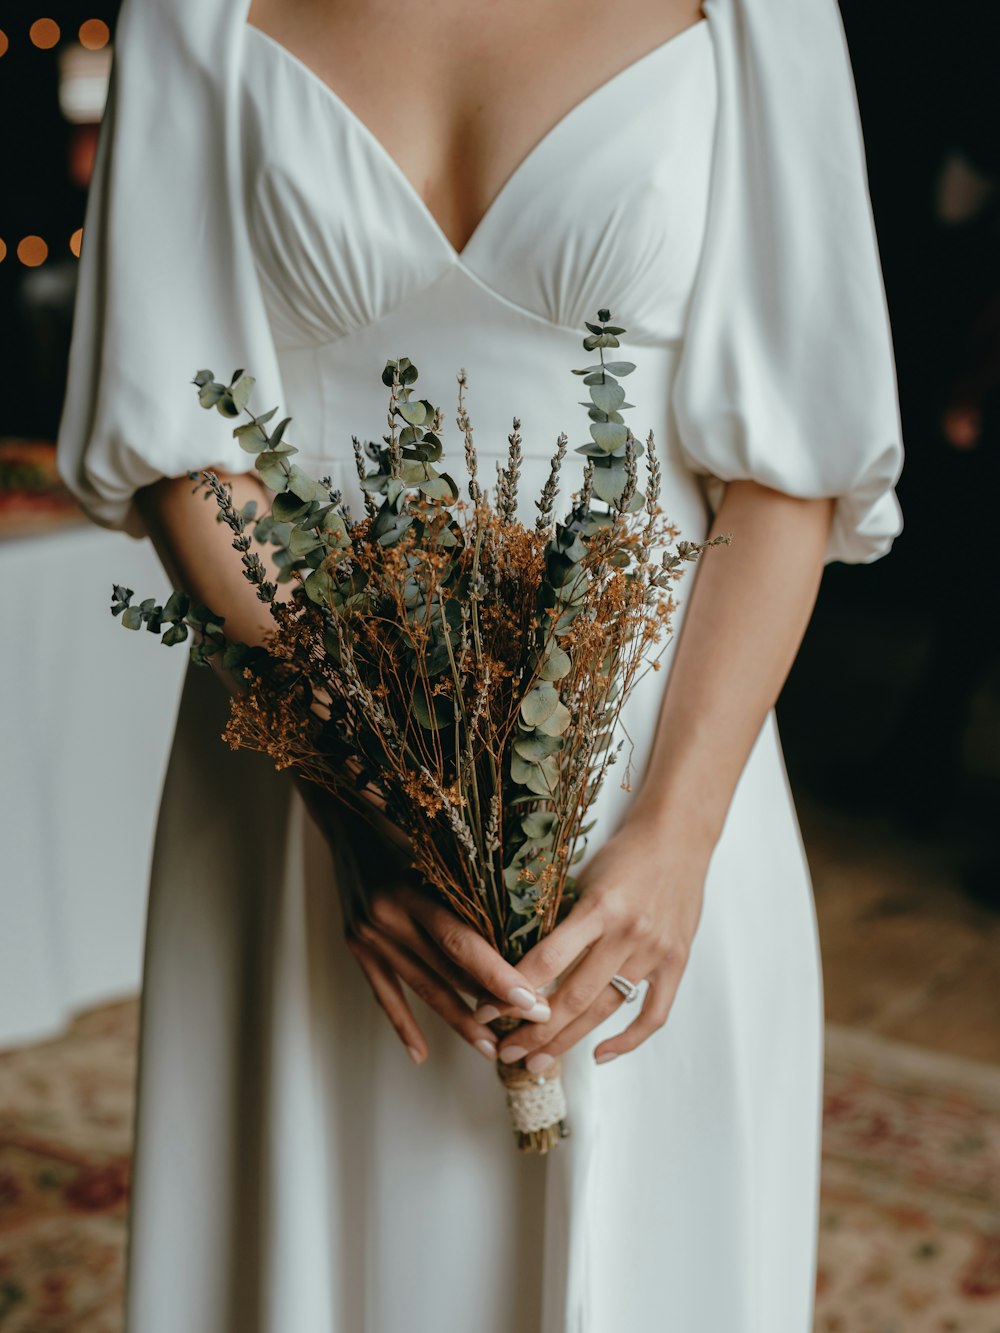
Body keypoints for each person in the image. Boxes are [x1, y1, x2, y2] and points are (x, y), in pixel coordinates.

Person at [55, 0, 904, 1328]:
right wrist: (366, 805)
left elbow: (794, 461)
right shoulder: (192, 10)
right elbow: (178, 441)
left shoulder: (761, 15)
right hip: (307, 764)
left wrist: (676, 841)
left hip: (662, 772)